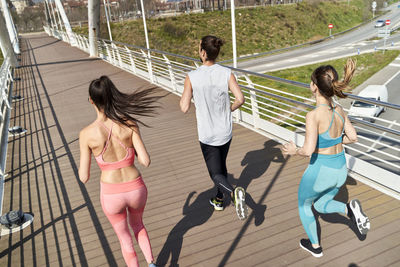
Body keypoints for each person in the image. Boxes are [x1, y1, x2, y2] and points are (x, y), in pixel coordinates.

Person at [282, 58, 370, 258]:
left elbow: (308, 150)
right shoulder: (339, 110)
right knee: (321, 205)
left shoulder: (313, 116)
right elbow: (353, 137)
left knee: (304, 205)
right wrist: (333, 142)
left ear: (314, 87)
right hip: (340, 169)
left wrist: (293, 150)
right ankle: (350, 209)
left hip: (320, 172)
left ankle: (315, 247)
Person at [79, 76, 160, 267]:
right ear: (111, 97)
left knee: (124, 238)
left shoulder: (86, 134)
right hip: (136, 188)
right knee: (138, 226)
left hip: (111, 193)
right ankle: (151, 263)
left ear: (91, 100)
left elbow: (84, 177)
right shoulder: (129, 123)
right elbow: (146, 161)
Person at [180, 35, 248, 220]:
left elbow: (184, 107)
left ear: (203, 53)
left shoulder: (192, 77)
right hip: (225, 131)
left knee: (216, 173)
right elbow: (240, 99)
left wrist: (190, 93)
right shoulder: (226, 73)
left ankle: (233, 194)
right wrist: (228, 109)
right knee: (221, 165)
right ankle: (218, 199)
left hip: (208, 134)